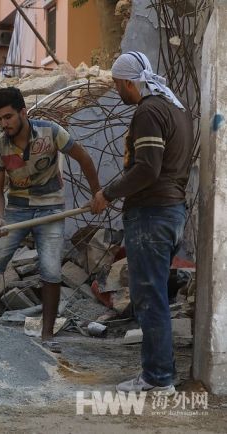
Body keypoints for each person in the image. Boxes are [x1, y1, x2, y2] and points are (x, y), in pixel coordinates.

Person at [90, 51, 193, 395]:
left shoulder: (148, 111)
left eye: (119, 85)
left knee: (149, 298)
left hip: (151, 215)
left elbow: (147, 168)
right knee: (156, 296)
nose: (118, 91)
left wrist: (108, 192)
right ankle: (159, 372)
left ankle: (158, 377)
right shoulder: (175, 109)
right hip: (171, 212)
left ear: (128, 82)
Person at [0, 87, 101, 353]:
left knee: (50, 270)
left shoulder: (51, 132)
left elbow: (84, 158)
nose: (4, 124)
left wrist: (97, 195)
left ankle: (47, 335)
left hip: (51, 210)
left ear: (23, 112)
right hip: (17, 210)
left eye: (9, 117)